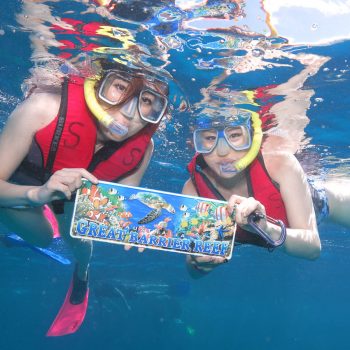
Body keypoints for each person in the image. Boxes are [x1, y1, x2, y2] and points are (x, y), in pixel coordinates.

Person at [0, 59, 170, 334]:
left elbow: (119, 207)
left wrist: (138, 227)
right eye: (120, 87)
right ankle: (37, 218)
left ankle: (82, 271)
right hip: (24, 184)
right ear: (98, 82)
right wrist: (38, 194)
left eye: (148, 101)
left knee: (78, 239)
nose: (129, 112)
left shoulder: (144, 148)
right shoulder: (42, 107)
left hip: (76, 200)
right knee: (43, 237)